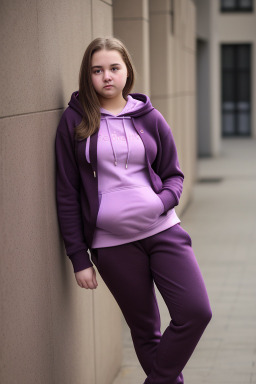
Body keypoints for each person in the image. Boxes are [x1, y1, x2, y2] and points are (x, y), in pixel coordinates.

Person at [55, 37, 212, 384]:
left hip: (163, 231)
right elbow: (66, 191)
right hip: (113, 246)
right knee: (146, 332)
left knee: (196, 312)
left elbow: (173, 173)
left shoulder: (148, 116)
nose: (106, 76)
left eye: (114, 68)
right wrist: (79, 258)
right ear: (88, 75)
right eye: (97, 70)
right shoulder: (75, 121)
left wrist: (162, 202)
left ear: (127, 71)